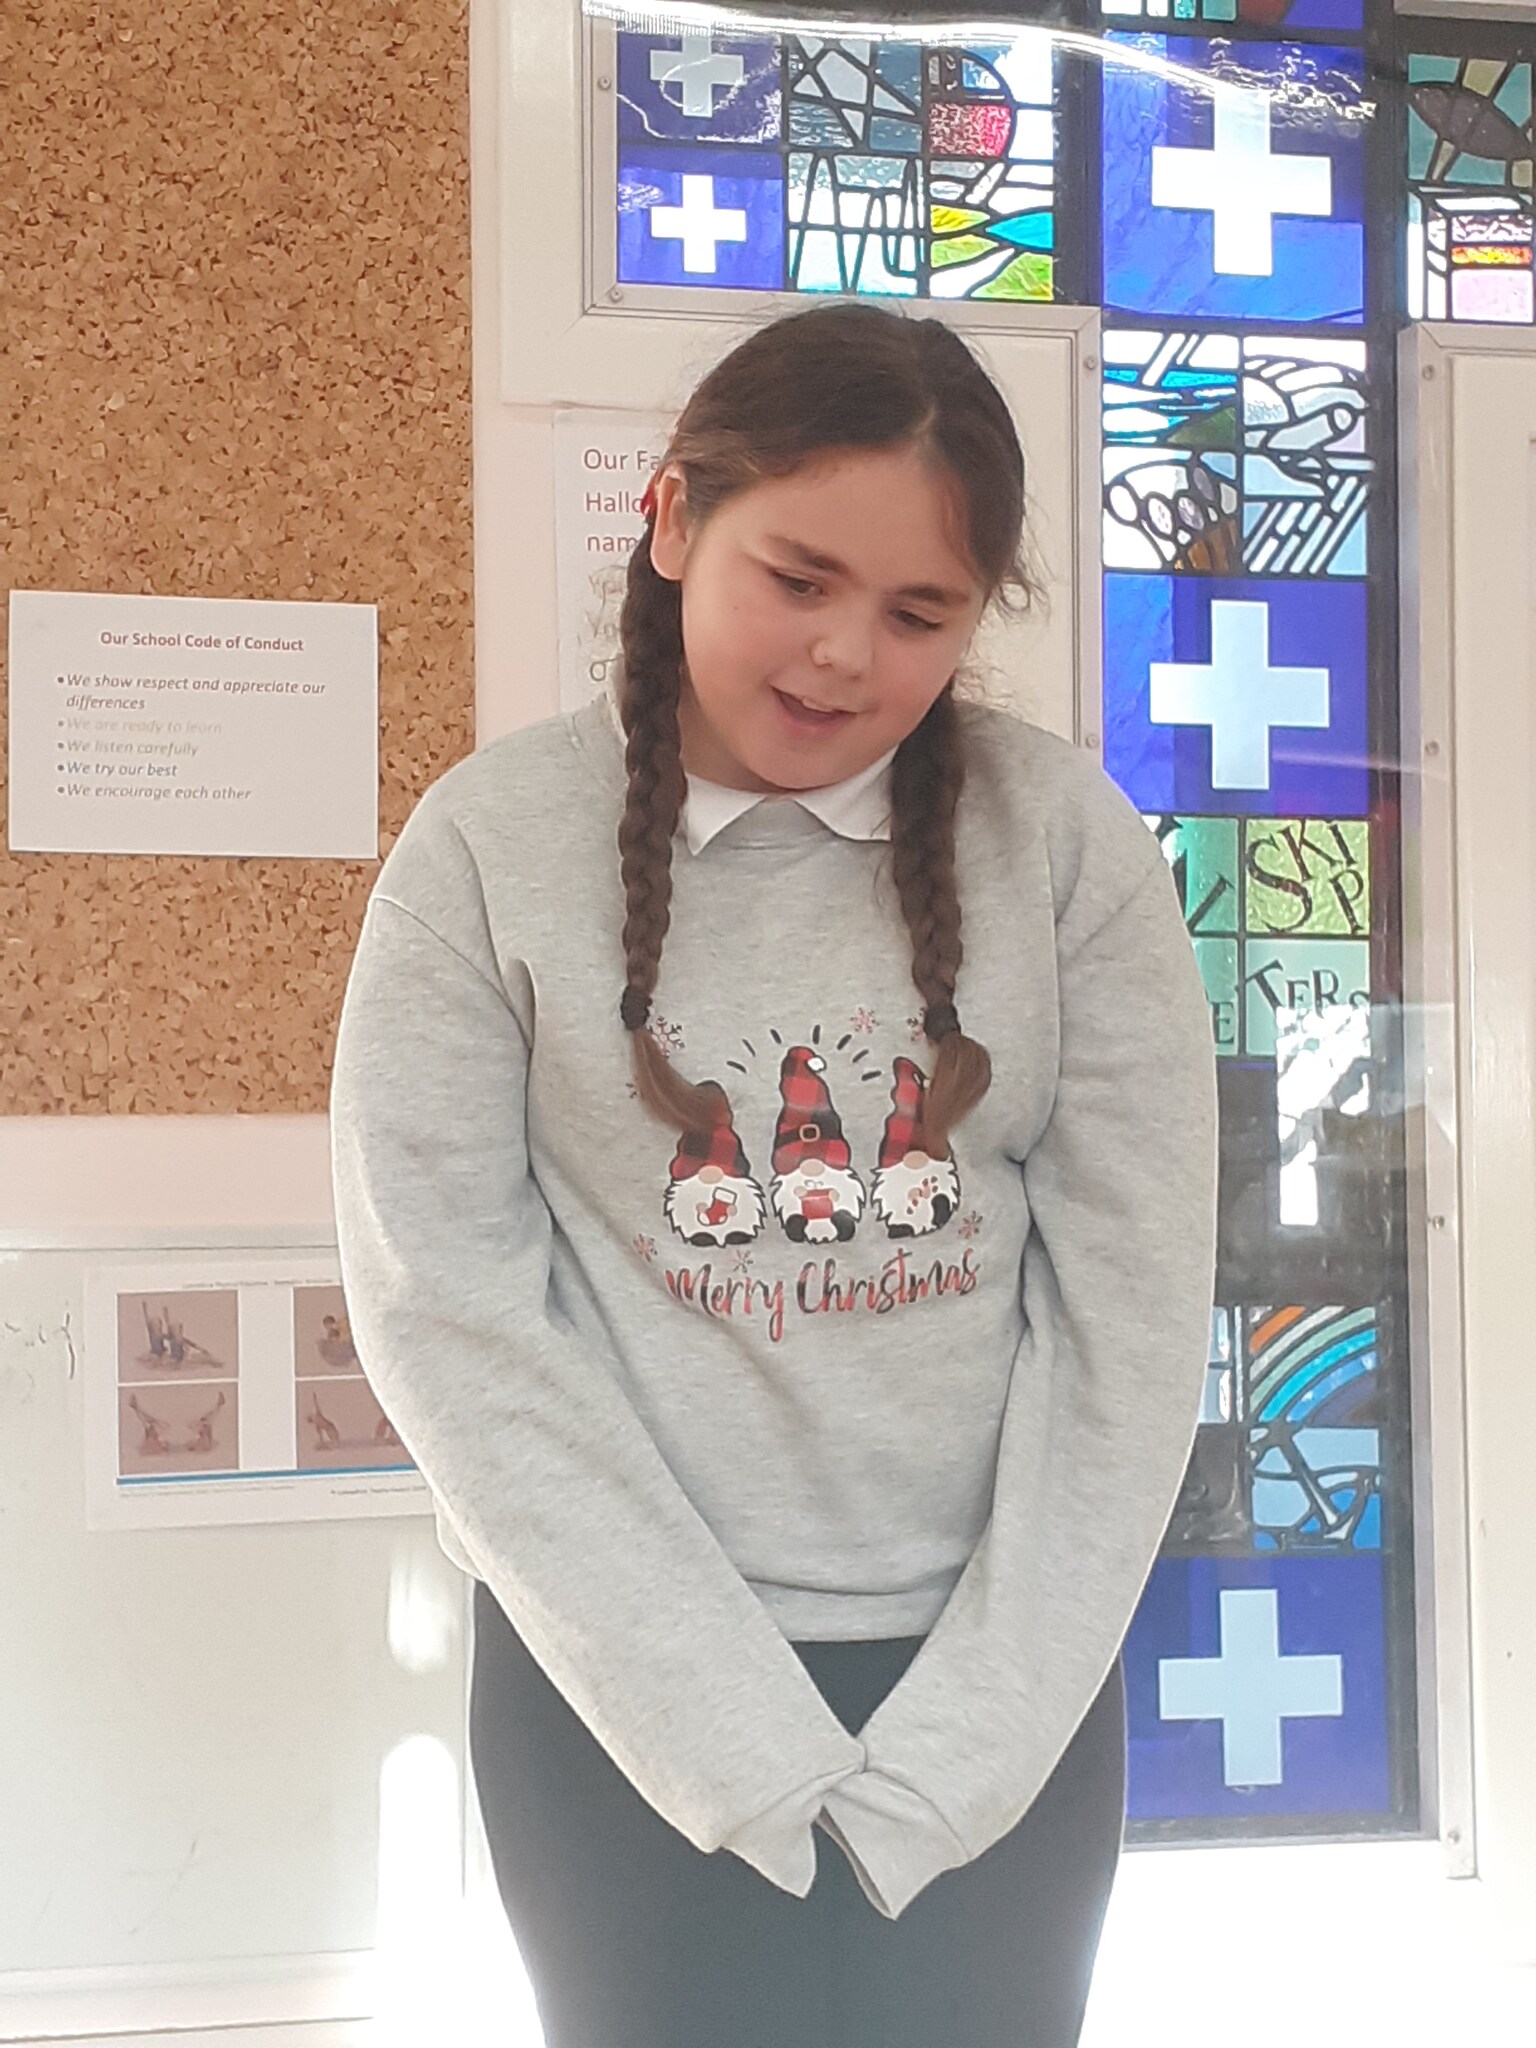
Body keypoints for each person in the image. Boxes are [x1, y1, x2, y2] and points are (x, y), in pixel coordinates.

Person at [328, 301, 1218, 2048]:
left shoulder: (1064, 848)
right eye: (798, 578)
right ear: (672, 521)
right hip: (617, 1696)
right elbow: (450, 1320)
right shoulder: (485, 851)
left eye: (919, 613)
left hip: (1001, 1687)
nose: (843, 657)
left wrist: (969, 1746)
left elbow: (1130, 1313)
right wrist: (724, 1739)